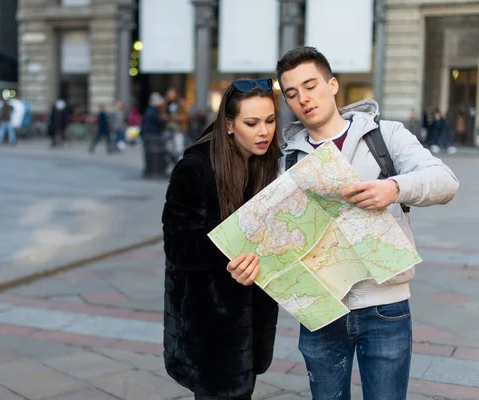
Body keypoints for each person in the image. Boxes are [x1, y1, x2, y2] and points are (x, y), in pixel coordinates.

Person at [274, 46, 459, 400]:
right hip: (321, 308)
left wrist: (394, 187)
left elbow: (446, 181)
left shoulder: (383, 135)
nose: (303, 99)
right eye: (292, 94)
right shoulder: (288, 159)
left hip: (385, 306)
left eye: (310, 86)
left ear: (332, 85)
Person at [162, 78, 281, 399]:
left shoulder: (267, 163)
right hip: (209, 327)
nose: (264, 132)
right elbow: (178, 247)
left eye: (270, 121)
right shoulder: (196, 168)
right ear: (229, 125)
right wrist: (231, 251)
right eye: (252, 123)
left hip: (251, 321)